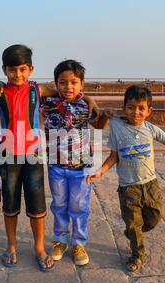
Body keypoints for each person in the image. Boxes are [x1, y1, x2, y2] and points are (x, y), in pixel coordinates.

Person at [0, 44, 100, 272]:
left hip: (33, 155)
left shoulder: (38, 90)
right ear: (4, 70)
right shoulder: (0, 94)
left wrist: (91, 100)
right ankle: (12, 245)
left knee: (37, 203)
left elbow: (68, 92)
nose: (18, 74)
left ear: (31, 69)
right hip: (7, 155)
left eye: (23, 69)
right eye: (12, 70)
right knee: (10, 203)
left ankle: (39, 248)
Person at [87, 85, 165, 272]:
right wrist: (101, 171)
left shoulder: (151, 129)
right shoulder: (117, 126)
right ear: (124, 107)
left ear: (148, 111)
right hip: (128, 188)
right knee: (135, 224)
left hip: (150, 185)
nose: (135, 112)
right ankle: (138, 253)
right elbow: (114, 156)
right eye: (131, 107)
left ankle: (133, 231)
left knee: (154, 216)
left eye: (141, 108)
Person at [41, 59, 108, 266]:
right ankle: (60, 239)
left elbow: (99, 126)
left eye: (73, 82)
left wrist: (101, 112)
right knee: (59, 204)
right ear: (55, 84)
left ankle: (79, 242)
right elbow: (34, 91)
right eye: (62, 82)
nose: (68, 87)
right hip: (56, 166)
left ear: (81, 84)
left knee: (79, 206)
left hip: (82, 167)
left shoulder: (85, 106)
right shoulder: (48, 103)